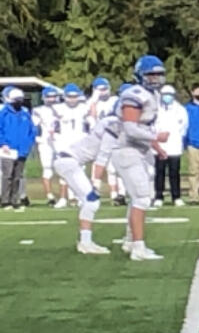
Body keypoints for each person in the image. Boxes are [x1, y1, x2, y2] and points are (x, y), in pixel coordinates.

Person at [112, 57, 171, 260]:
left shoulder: (151, 94)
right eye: (150, 74)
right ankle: (138, 247)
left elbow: (144, 127)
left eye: (158, 74)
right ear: (140, 75)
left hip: (140, 150)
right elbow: (130, 128)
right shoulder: (134, 94)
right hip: (127, 150)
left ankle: (130, 241)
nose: (155, 78)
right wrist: (156, 138)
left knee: (142, 196)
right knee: (142, 198)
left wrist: (156, 146)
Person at [52, 107, 118, 254]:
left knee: (89, 202)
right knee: (92, 201)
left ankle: (85, 241)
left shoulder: (109, 122)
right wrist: (96, 184)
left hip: (67, 160)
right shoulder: (113, 127)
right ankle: (85, 243)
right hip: (69, 161)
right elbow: (101, 159)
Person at [0, 87, 37, 210]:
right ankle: (5, 201)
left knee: (18, 176)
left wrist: (28, 143)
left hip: (22, 149)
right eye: (16, 99)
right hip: (7, 149)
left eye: (20, 99)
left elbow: (32, 130)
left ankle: (15, 200)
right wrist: (3, 143)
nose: (18, 102)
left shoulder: (25, 113)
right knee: (7, 175)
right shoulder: (4, 113)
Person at [153, 85, 189, 207]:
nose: (167, 97)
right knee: (159, 172)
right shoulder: (156, 109)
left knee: (174, 172)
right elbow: (152, 126)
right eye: (164, 95)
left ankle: (176, 196)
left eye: (169, 94)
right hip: (159, 146)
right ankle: (159, 196)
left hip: (174, 145)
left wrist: (177, 139)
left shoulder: (180, 110)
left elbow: (184, 127)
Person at [32, 86, 64, 205]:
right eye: (49, 96)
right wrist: (37, 138)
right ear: (44, 98)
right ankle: (50, 196)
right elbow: (34, 126)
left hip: (61, 141)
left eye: (53, 96)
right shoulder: (39, 110)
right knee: (47, 169)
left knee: (63, 169)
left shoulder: (63, 108)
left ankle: (65, 197)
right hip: (46, 142)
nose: (51, 99)